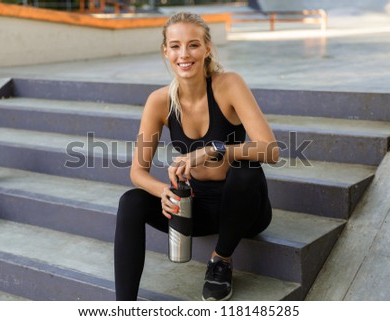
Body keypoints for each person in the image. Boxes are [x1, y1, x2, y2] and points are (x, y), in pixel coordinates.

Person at [114, 12, 279, 301]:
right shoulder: (159, 101)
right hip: (195, 210)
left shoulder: (228, 85)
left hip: (244, 208)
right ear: (165, 51)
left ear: (207, 48)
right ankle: (123, 306)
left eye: (193, 45)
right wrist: (163, 192)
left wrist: (210, 150)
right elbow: (137, 172)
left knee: (246, 168)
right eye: (175, 46)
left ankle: (220, 259)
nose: (184, 54)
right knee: (131, 201)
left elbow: (271, 149)